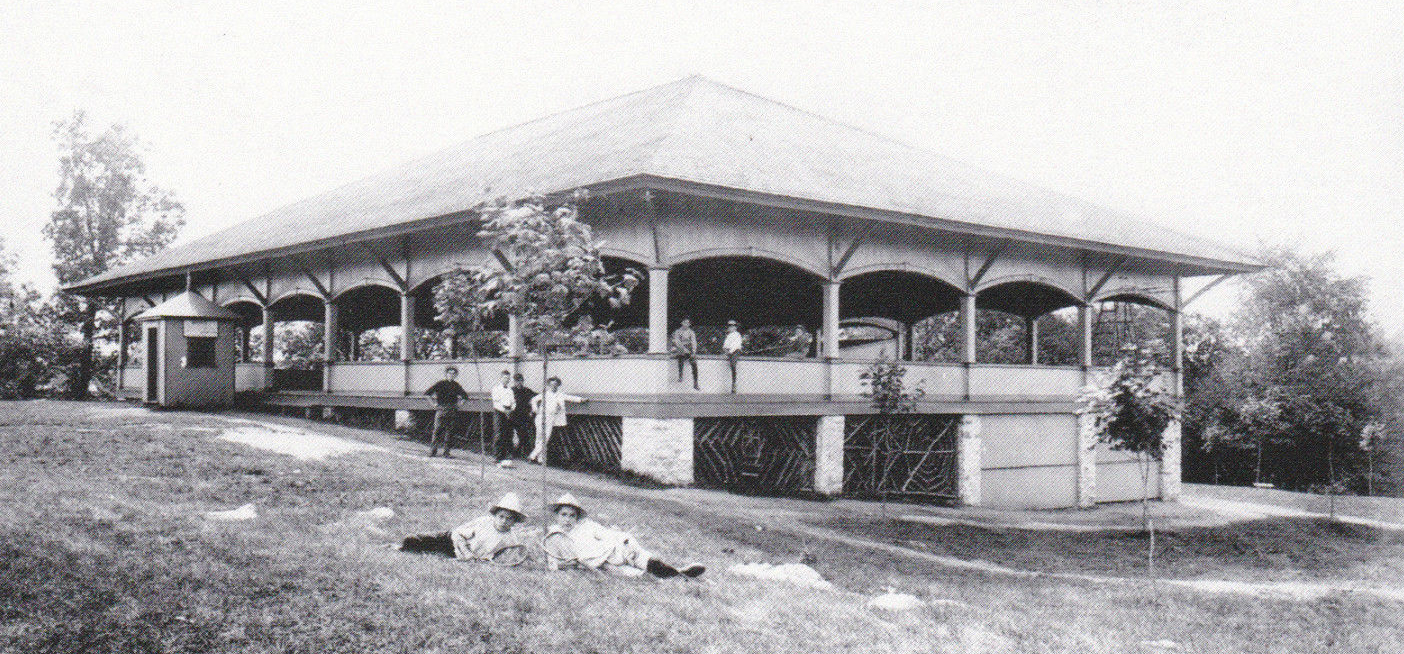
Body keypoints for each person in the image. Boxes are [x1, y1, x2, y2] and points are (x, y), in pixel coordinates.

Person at [541, 493, 704, 579]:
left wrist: (620, 539)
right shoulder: (554, 536)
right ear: (556, 516)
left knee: (635, 553)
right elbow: (554, 564)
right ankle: (677, 575)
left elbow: (608, 535)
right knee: (637, 576)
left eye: (572, 515)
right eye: (564, 515)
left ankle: (675, 572)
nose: (568, 519)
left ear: (577, 517)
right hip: (596, 564)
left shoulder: (586, 525)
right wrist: (575, 565)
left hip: (610, 552)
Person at [398, 492, 531, 565]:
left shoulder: (511, 540)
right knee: (410, 541)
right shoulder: (483, 522)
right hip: (450, 540)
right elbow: (457, 534)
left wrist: (480, 560)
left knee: (432, 554)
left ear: (514, 521)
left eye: (509, 519)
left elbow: (504, 558)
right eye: (501, 516)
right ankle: (397, 547)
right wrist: (466, 552)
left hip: (467, 557)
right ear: (495, 515)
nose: (504, 521)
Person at [527, 376, 586, 464]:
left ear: (558, 385)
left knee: (545, 438)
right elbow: (533, 400)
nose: (553, 386)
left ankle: (533, 456)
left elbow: (570, 398)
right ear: (549, 385)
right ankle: (539, 458)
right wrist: (536, 410)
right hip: (541, 417)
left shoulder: (560, 394)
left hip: (551, 418)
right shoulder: (545, 394)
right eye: (551, 385)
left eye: (555, 385)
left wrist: (581, 400)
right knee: (539, 438)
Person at [425, 366, 469, 457]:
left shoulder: (456, 385)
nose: (451, 375)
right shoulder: (440, 384)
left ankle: (446, 452)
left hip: (452, 410)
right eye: (449, 373)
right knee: (437, 430)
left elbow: (465, 397)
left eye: (453, 374)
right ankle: (433, 451)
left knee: (449, 432)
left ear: (455, 375)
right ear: (446, 374)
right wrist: (433, 404)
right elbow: (427, 394)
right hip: (441, 409)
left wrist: (459, 405)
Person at [490, 370, 517, 468]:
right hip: (499, 412)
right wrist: (504, 411)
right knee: (499, 434)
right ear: (501, 378)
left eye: (508, 378)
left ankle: (506, 456)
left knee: (508, 434)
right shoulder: (496, 389)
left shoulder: (510, 390)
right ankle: (497, 457)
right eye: (505, 378)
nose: (507, 380)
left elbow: (513, 402)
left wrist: (511, 410)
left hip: (509, 412)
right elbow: (496, 403)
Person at [509, 373, 537, 461]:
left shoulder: (527, 391)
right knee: (511, 436)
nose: (519, 383)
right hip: (513, 416)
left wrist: (532, 410)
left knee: (524, 436)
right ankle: (511, 453)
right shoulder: (511, 390)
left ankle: (523, 454)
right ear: (514, 382)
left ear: (523, 381)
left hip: (524, 417)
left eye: (520, 381)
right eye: (517, 381)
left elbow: (536, 397)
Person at [670, 318, 700, 389]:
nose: (686, 325)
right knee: (681, 356)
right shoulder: (678, 332)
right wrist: (683, 349)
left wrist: (693, 351)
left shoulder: (691, 332)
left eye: (687, 323)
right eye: (684, 323)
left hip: (689, 349)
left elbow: (693, 342)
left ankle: (695, 383)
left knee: (694, 363)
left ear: (689, 324)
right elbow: (677, 342)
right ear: (682, 323)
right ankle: (680, 375)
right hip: (680, 349)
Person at [723, 319, 744, 393]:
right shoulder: (728, 336)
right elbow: (725, 346)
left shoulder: (737, 335)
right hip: (729, 352)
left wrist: (730, 352)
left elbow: (736, 346)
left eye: (732, 326)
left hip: (735, 351)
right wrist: (726, 352)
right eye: (729, 326)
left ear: (735, 327)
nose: (730, 328)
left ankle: (734, 384)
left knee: (733, 364)